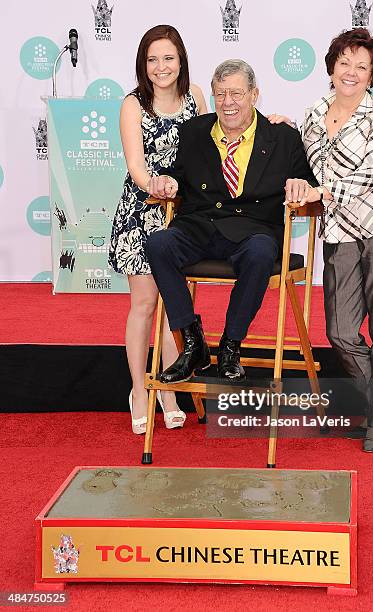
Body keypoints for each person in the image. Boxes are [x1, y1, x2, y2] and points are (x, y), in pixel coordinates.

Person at [145, 59, 317, 384]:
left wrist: (303, 188)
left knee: (261, 253)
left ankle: (230, 344)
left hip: (254, 231)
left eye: (236, 93)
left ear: (254, 94)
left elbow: (306, 181)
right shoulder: (194, 132)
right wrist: (168, 182)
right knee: (158, 244)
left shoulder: (282, 137)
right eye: (220, 94)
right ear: (212, 95)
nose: (228, 103)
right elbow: (179, 174)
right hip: (200, 225)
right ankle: (192, 340)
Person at [294, 28, 373, 452]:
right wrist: (277, 127)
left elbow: (372, 172)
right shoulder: (310, 115)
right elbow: (301, 163)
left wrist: (323, 191)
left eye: (362, 66)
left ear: (372, 76)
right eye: (345, 62)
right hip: (339, 232)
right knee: (341, 332)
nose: (352, 72)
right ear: (331, 67)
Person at [108, 25, 207, 434]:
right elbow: (136, 166)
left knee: (174, 311)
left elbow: (211, 148)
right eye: (152, 59)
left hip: (183, 218)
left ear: (180, 60)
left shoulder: (197, 97)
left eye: (168, 58)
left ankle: (168, 389)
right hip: (142, 213)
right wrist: (157, 185)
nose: (161, 67)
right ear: (143, 65)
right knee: (146, 305)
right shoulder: (133, 104)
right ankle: (138, 390)